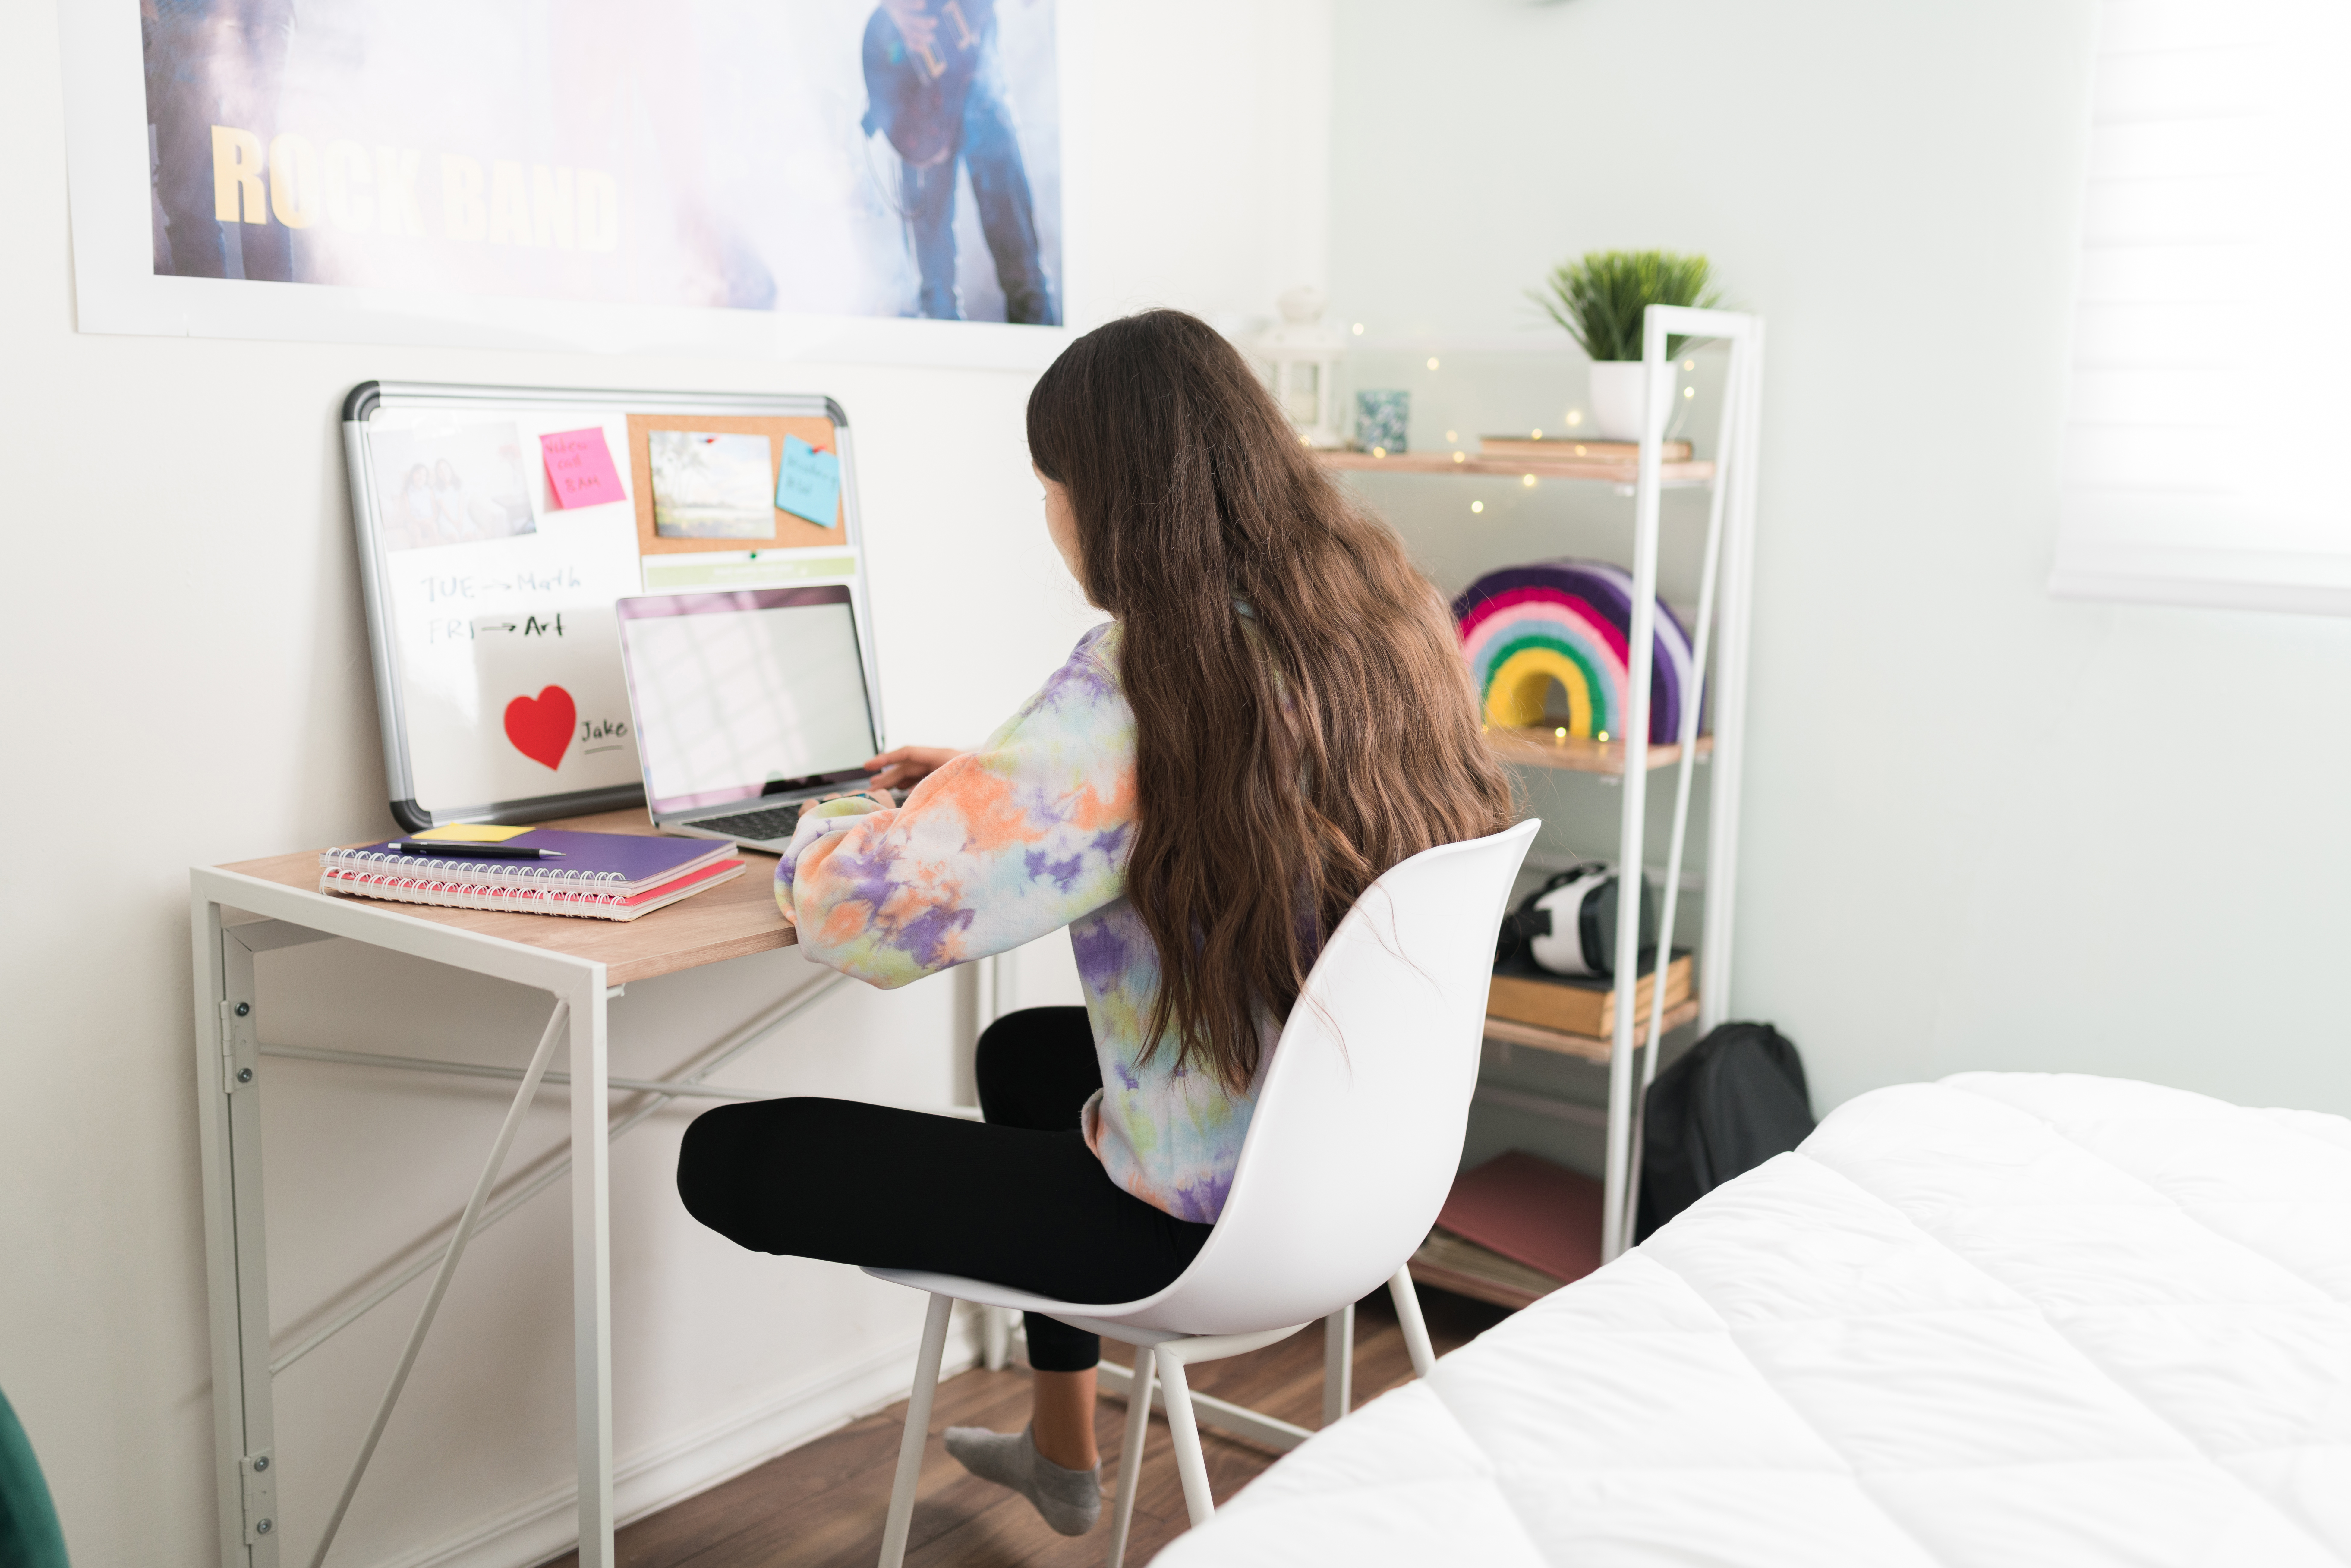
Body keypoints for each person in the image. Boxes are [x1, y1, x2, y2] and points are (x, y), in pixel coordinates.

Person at [674, 309, 1511, 1536]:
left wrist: (824, 820)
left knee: (726, 1154)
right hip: (1361, 1177)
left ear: (1106, 499)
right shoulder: (1380, 629)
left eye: (1049, 490)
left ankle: (1060, 1436)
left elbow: (859, 916)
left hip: (1205, 1227)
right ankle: (1061, 1446)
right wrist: (986, 779)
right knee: (1023, 1059)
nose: (1049, 521)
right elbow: (1229, 785)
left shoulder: (1140, 681)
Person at [862, 0, 1059, 323]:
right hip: (916, 93)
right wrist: (893, 10)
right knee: (935, 294)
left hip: (981, 85)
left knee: (1025, 276)